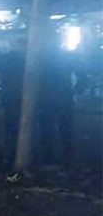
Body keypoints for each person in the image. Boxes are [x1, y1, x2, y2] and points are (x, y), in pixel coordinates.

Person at [37, 34, 75, 165]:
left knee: (47, 128)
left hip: (47, 97)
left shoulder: (41, 57)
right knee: (64, 127)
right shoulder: (66, 57)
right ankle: (66, 154)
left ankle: (48, 155)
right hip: (62, 96)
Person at [0, 37, 26, 165]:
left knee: (11, 126)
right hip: (17, 96)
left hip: (11, 96)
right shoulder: (23, 60)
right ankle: (15, 152)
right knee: (16, 125)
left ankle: (10, 153)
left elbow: (4, 77)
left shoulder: (6, 59)